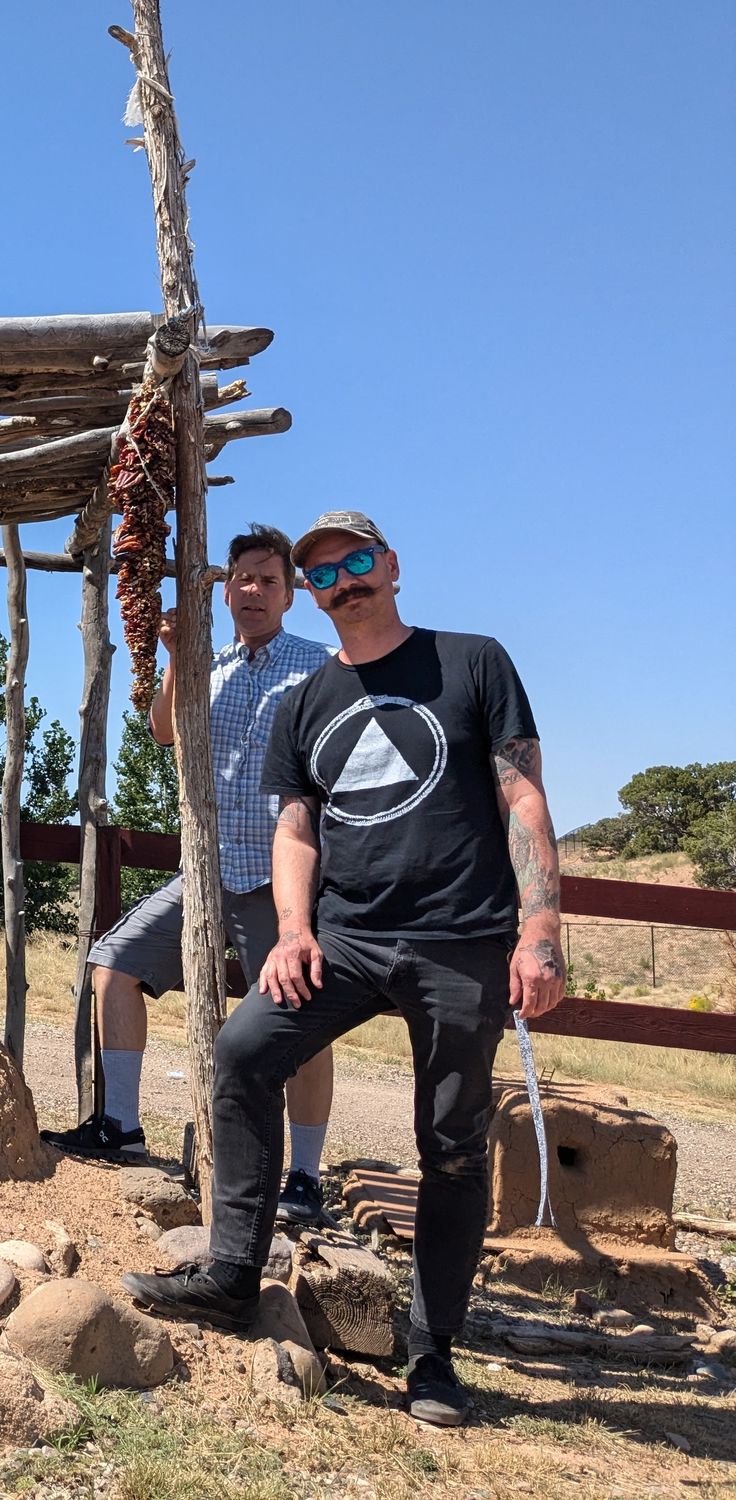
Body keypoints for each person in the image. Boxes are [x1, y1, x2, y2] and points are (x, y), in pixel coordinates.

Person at [121, 510, 565, 1429]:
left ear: (392, 566)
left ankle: (434, 1353)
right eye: (324, 573)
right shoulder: (308, 698)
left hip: (462, 936)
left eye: (356, 563)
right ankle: (233, 1273)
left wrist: (541, 925)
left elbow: (519, 786)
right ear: (311, 592)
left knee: (448, 1144)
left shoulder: (473, 661)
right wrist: (292, 930)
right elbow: (296, 827)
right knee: (244, 1050)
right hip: (347, 939)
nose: (344, 582)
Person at [46, 525, 340, 1228]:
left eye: (269, 580)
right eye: (242, 578)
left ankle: (304, 1176)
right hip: (206, 873)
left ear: (291, 594)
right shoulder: (212, 663)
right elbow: (163, 730)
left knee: (302, 1021)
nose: (253, 591)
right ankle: (121, 1125)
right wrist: (178, 658)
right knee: (113, 963)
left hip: (281, 880)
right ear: (225, 586)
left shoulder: (323, 667)